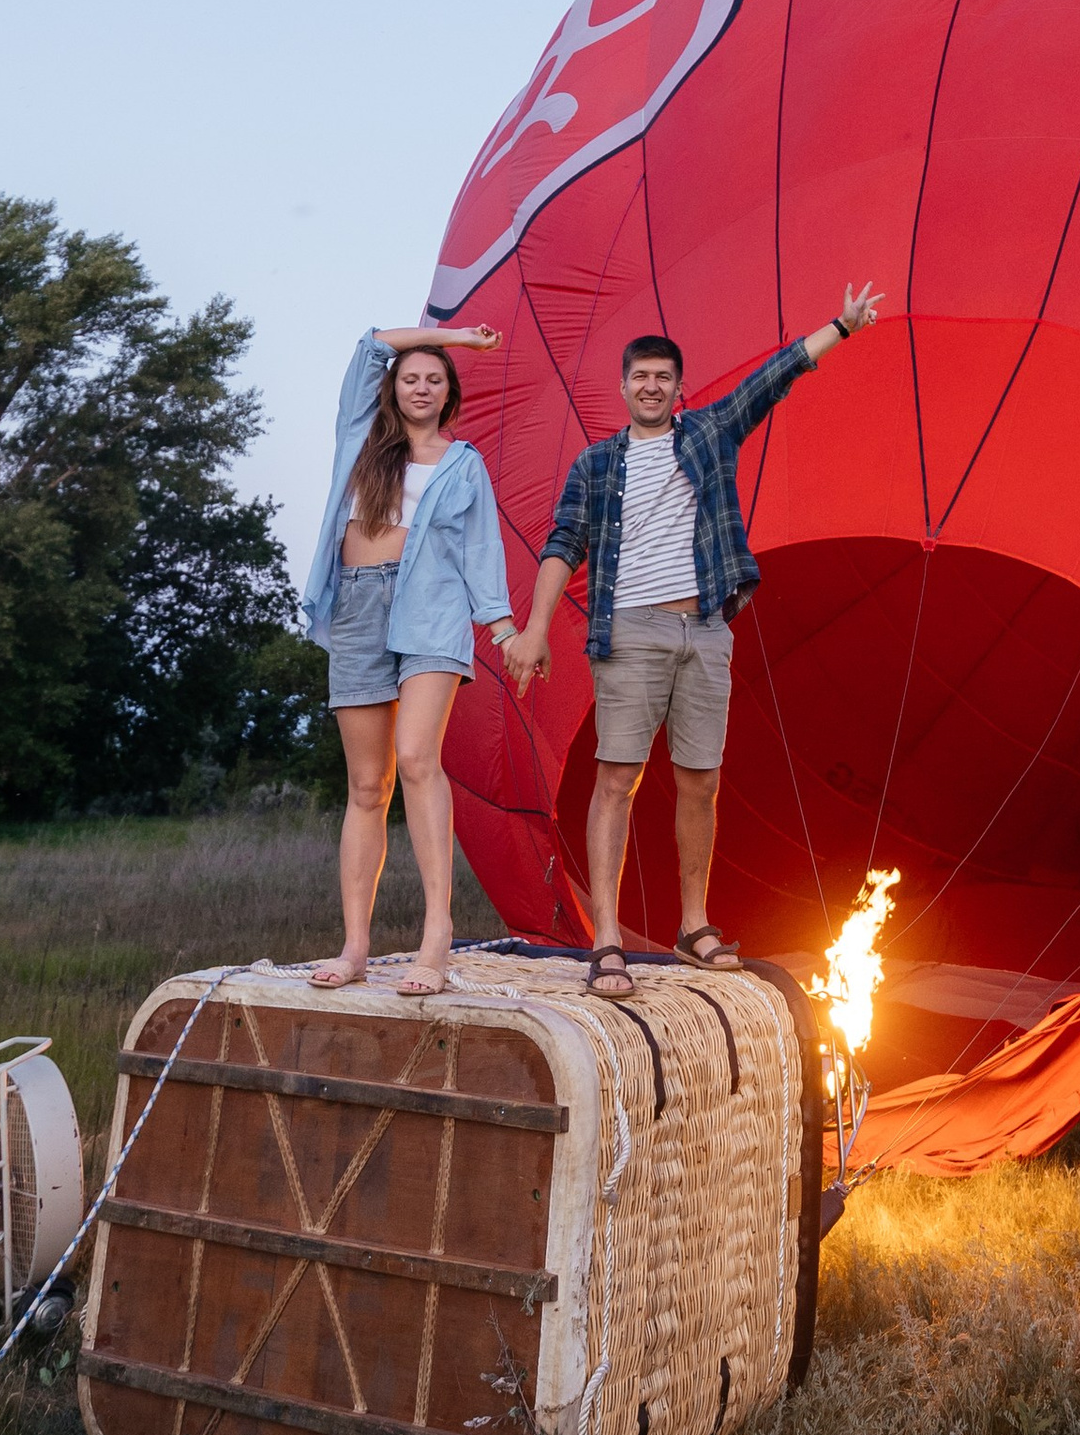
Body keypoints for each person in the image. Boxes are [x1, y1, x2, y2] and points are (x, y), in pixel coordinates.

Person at [504, 287, 879, 997]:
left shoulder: (706, 436)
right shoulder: (596, 466)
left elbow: (770, 381)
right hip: (632, 630)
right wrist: (534, 628)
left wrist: (840, 327)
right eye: (639, 376)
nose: (650, 386)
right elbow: (563, 544)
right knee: (618, 776)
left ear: (679, 388)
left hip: (704, 628)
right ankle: (607, 937)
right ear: (623, 387)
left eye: (662, 377)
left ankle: (693, 926)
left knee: (700, 780)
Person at [303, 321, 525, 997]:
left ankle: (436, 940)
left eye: (434, 379)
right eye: (412, 377)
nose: (422, 387)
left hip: (431, 607)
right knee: (368, 786)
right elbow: (369, 342)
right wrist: (454, 336)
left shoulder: (464, 464)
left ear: (449, 393)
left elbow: (482, 549)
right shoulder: (360, 438)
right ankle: (356, 948)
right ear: (393, 388)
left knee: (419, 758)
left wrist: (505, 627)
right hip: (358, 609)